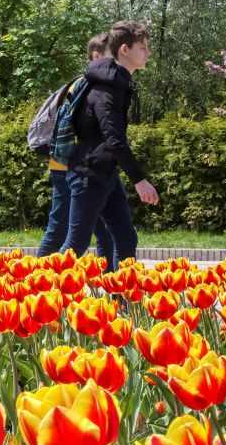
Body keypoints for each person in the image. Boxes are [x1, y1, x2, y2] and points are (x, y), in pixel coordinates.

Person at [60, 21, 160, 268]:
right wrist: (139, 180)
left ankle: (120, 303)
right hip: (88, 173)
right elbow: (114, 140)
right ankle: (36, 297)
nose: (147, 53)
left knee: (126, 238)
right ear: (124, 50)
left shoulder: (116, 83)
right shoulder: (108, 88)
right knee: (76, 245)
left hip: (105, 174)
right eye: (142, 47)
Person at [36, 34, 114, 261]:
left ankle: (113, 290)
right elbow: (68, 131)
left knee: (106, 233)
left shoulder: (98, 85)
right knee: (60, 230)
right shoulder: (83, 86)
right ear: (96, 56)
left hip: (88, 170)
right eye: (114, 55)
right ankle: (34, 285)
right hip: (68, 167)